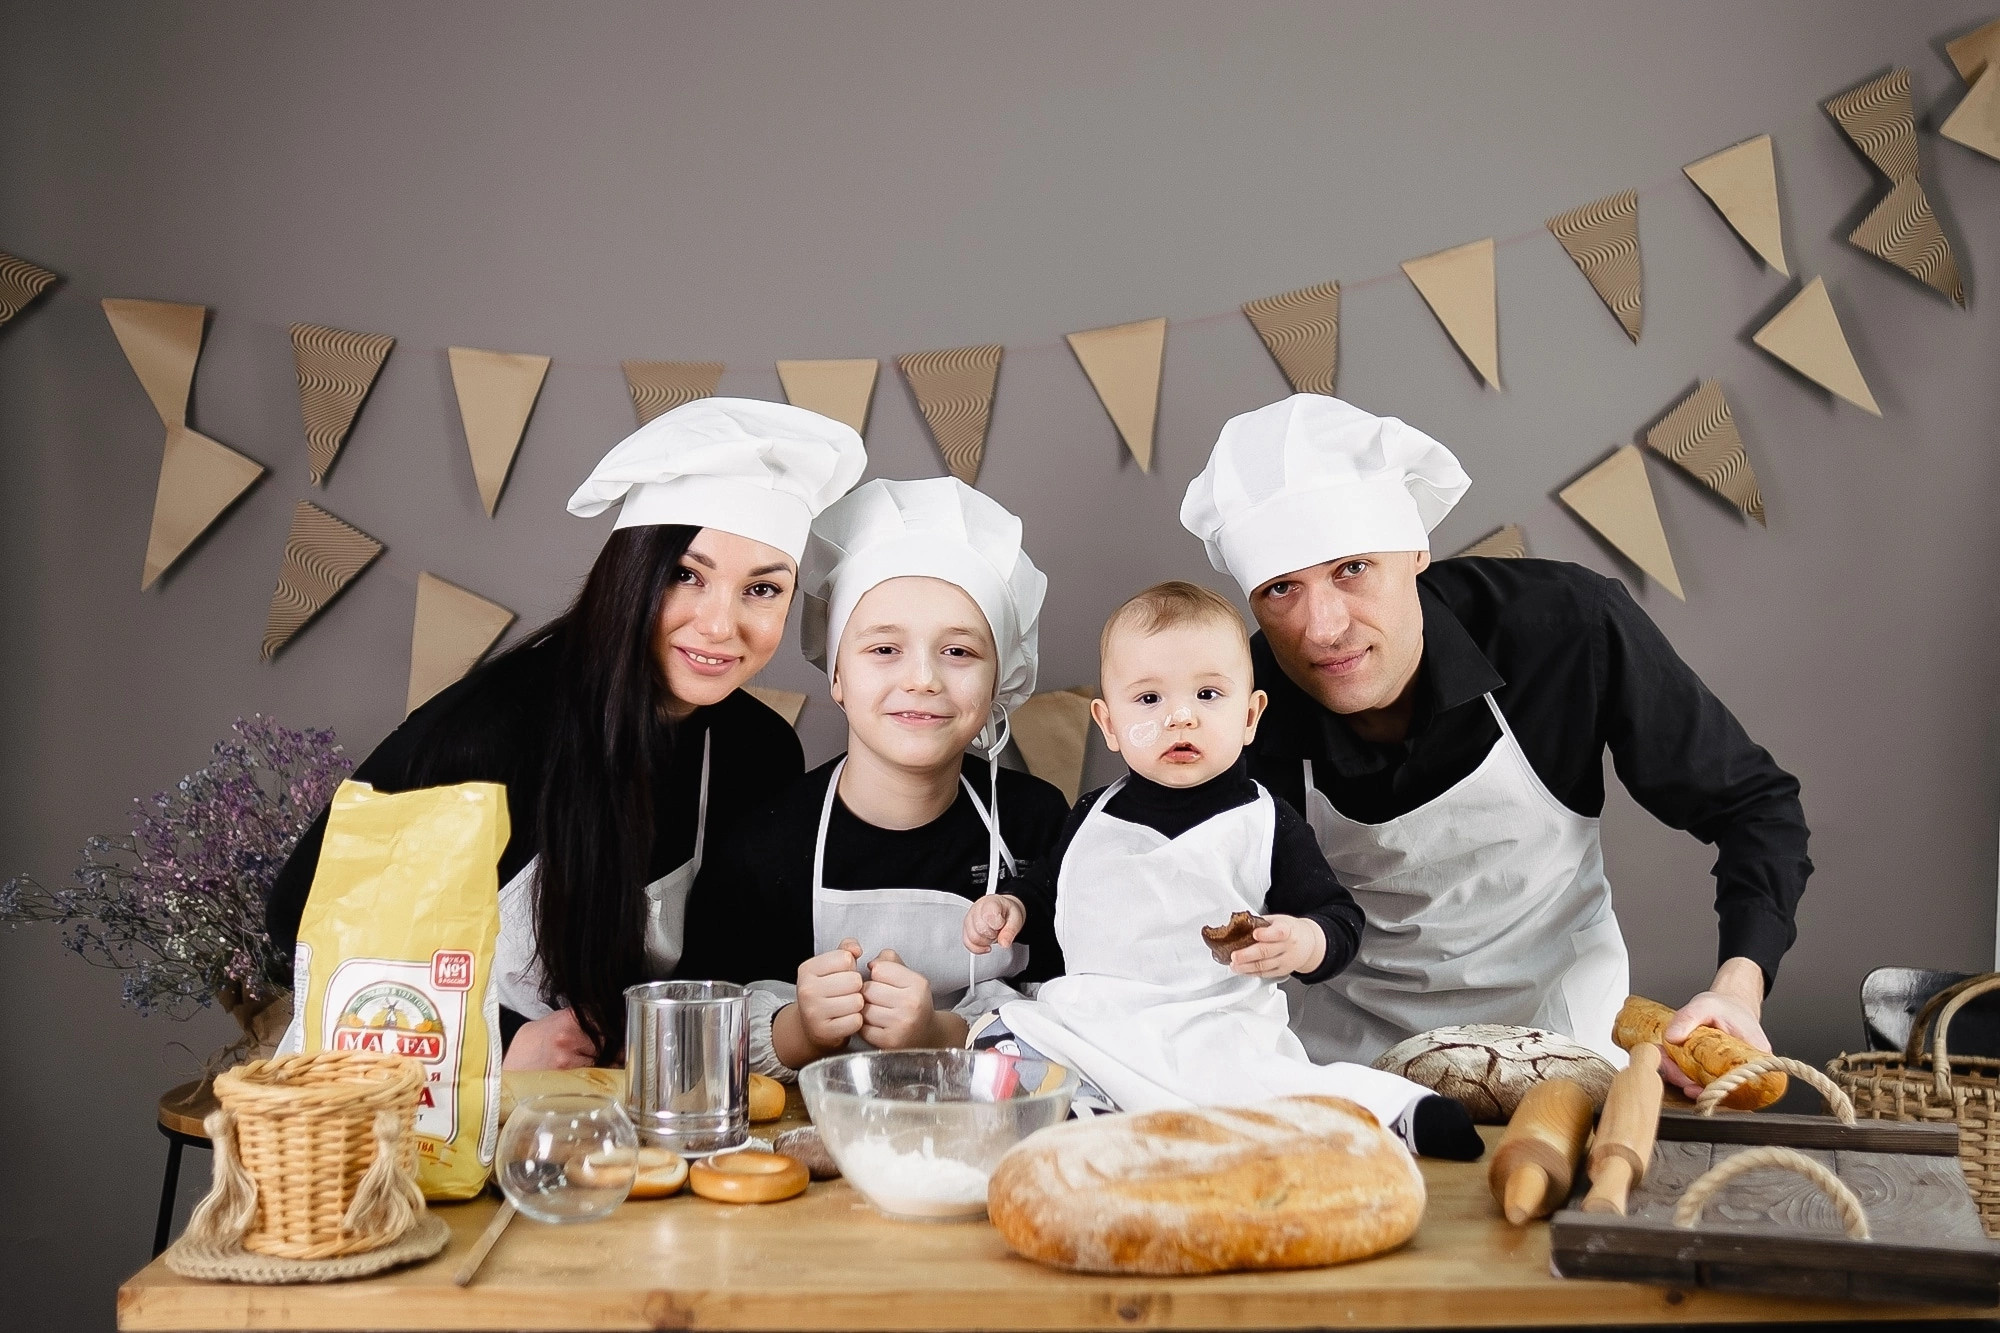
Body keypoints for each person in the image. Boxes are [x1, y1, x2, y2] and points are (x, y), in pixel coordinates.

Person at [1179, 393, 1811, 1091]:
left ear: (1415, 547)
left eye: (1351, 569)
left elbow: (1756, 807)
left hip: (1568, 1054)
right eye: (1280, 590)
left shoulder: (1566, 628)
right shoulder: (1235, 701)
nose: (1323, 626)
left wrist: (1737, 989)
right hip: (1346, 1075)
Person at [264, 398, 866, 1071]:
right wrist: (498, 1040)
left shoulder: (758, 752)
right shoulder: (495, 730)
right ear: (630, 570)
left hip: (618, 1121)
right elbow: (300, 922)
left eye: (762, 589)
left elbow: (738, 969)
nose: (721, 625)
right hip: (423, 1112)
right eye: (686, 575)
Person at [962, 582, 1479, 1158]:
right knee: (998, 1036)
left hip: (1216, 1030)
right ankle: (1093, 1115)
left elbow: (1338, 917)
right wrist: (1014, 906)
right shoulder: (1091, 814)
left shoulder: (1263, 823)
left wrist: (1305, 942)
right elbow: (1048, 891)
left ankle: (1396, 1114)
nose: (1181, 717)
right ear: (1108, 724)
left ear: (1250, 714)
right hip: (1093, 1026)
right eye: (1149, 700)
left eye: (1208, 694)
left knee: (1277, 1092)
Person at [682, 477, 1070, 1081]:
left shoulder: (1039, 824)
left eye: (959, 652)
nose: (922, 679)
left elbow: (1085, 1017)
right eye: (884, 649)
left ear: (1000, 680)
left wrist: (938, 1033)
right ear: (836, 675)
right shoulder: (763, 842)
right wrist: (800, 1029)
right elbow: (697, 1039)